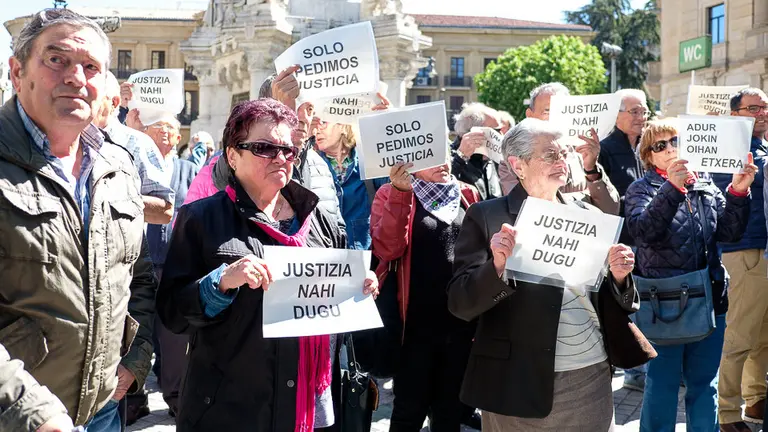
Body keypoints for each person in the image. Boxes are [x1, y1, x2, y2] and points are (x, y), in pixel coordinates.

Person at [156, 98, 379, 430]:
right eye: (265, 148)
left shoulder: (321, 219)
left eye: (288, 151)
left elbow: (329, 302)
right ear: (232, 156)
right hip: (230, 408)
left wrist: (359, 287)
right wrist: (220, 283)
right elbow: (172, 313)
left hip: (310, 407)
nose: (280, 158)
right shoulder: (201, 218)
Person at [0, 8, 156, 431]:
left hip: (103, 412)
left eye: (90, 67)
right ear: (17, 73)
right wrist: (32, 414)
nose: (75, 77)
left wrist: (136, 359)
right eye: (57, 60)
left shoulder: (119, 169)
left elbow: (138, 277)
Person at [447, 118, 648, 431]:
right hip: (514, 380)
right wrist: (497, 266)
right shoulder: (487, 216)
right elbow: (460, 303)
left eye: (564, 154)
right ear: (518, 165)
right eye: (551, 155)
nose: (563, 162)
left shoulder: (589, 215)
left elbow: (606, 297)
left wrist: (620, 276)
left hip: (588, 374)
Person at [624, 120, 754, 432]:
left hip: (709, 300)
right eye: (660, 145)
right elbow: (644, 232)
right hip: (663, 305)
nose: (670, 149)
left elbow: (730, 233)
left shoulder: (706, 186)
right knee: (663, 386)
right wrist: (672, 188)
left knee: (704, 386)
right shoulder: (640, 189)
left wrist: (738, 191)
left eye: (675, 142)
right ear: (648, 156)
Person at [370, 159, 480, 431]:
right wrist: (401, 192)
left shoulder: (467, 193)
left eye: (444, 154)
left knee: (450, 412)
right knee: (410, 409)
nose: (442, 162)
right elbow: (387, 249)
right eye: (430, 157)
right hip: (416, 327)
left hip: (461, 325)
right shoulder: (389, 192)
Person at [713, 87, 768, 431]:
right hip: (743, 251)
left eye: (764, 107)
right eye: (753, 108)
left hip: (763, 250)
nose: (761, 112)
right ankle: (728, 414)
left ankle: (756, 399)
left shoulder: (762, 145)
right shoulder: (726, 148)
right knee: (738, 338)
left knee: (762, 335)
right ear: (735, 114)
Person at [140, 113, 200, 418]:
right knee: (135, 331)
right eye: (158, 126)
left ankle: (176, 395)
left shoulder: (190, 170)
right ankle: (133, 399)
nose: (165, 131)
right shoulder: (137, 165)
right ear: (145, 133)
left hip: (176, 263)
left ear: (179, 138)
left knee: (174, 336)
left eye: (171, 128)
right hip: (139, 263)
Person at [499, 82, 620, 215]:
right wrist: (580, 199)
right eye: (548, 111)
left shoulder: (581, 153)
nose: (556, 118)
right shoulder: (516, 155)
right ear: (530, 114)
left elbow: (610, 210)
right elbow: (522, 208)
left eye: (564, 111)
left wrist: (591, 170)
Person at [598, 88, 650, 391]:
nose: (640, 117)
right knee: (626, 307)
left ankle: (643, 364)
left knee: (646, 303)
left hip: (649, 240)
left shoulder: (648, 147)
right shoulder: (604, 149)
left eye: (644, 111)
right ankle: (634, 370)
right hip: (619, 241)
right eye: (634, 111)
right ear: (615, 115)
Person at [93, 71, 175, 225]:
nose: (85, 101)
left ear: (114, 103)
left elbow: (166, 211)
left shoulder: (137, 143)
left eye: (95, 97)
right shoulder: (65, 138)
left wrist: (109, 200)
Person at [451, 102, 504, 200]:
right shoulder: (446, 158)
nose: (501, 135)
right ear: (474, 133)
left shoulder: (493, 159)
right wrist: (460, 158)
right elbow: (441, 189)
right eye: (496, 131)